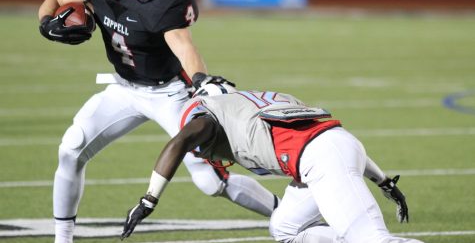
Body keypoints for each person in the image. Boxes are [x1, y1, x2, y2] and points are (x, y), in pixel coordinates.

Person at [37, 0, 279, 242]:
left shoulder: (169, 0)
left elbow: (184, 47)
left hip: (171, 94)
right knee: (70, 149)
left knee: (211, 182)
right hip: (124, 88)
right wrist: (45, 23)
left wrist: (202, 81)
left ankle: (285, 212)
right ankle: (63, 237)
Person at [120, 83, 424, 243]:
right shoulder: (258, 102)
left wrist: (149, 200)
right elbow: (334, 141)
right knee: (285, 227)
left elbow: (179, 142)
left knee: (371, 239)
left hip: (320, 161)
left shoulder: (206, 117)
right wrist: (382, 180)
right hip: (332, 151)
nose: (206, 155)